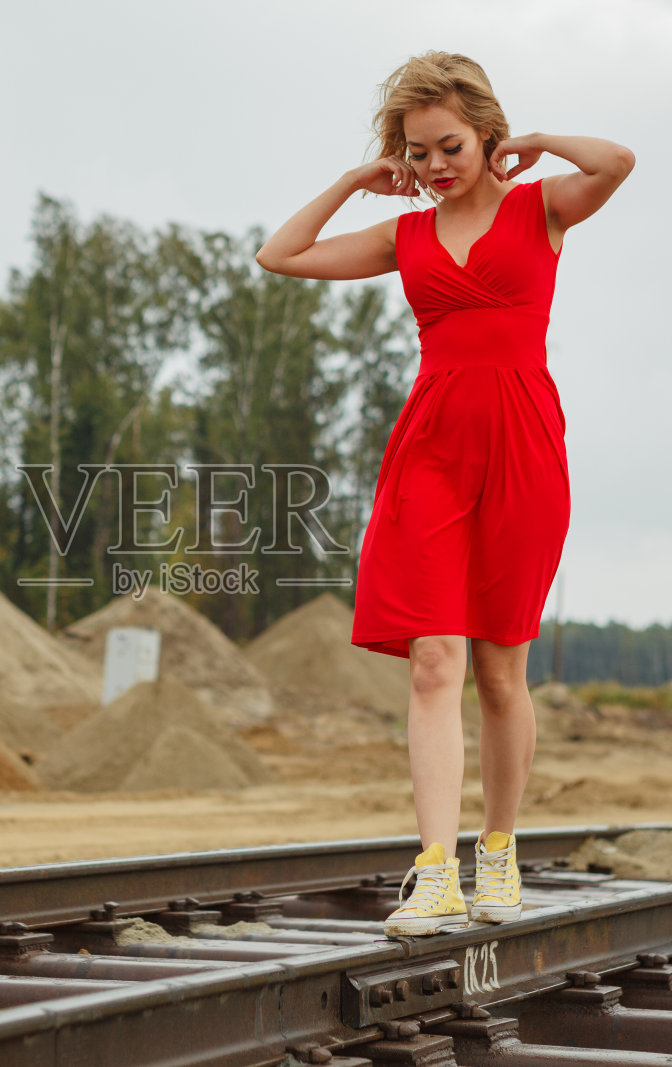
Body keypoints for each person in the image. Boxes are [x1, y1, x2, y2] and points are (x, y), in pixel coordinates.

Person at [255, 52, 633, 937]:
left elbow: (614, 162)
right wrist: (355, 178)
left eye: (450, 145)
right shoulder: (406, 238)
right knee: (434, 661)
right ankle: (434, 870)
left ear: (487, 135)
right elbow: (281, 254)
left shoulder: (541, 209)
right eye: (417, 151)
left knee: (501, 670)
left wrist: (536, 142)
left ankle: (497, 848)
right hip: (430, 451)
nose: (434, 166)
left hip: (524, 451)